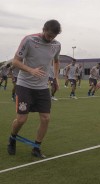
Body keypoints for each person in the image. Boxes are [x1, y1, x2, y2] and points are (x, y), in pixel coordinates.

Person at [7, 19, 61, 158]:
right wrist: (30, 70)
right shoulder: (29, 40)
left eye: (53, 37)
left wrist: (56, 77)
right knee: (21, 119)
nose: (50, 39)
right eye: (49, 35)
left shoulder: (56, 45)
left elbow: (56, 61)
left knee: (46, 118)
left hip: (42, 87)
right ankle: (12, 138)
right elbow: (15, 61)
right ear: (43, 30)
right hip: (25, 85)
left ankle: (36, 147)